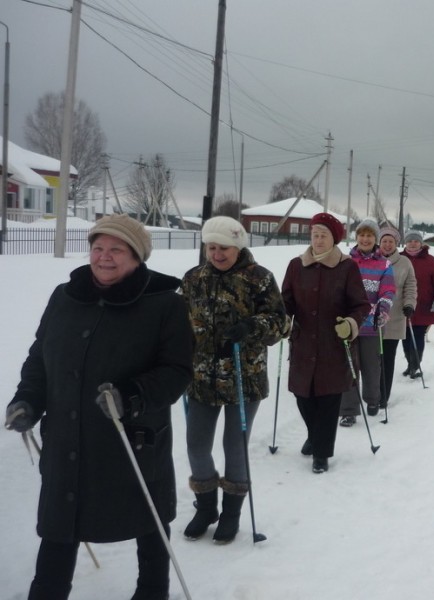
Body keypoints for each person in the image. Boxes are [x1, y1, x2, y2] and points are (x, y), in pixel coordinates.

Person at [4, 214, 193, 600]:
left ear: (137, 257)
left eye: (116, 250)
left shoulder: (165, 305)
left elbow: (177, 371)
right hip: (66, 439)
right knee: (60, 523)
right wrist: (28, 399)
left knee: (149, 521)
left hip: (131, 441)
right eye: (98, 248)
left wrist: (133, 394)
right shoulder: (65, 296)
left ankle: (152, 591)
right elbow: (40, 358)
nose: (104, 257)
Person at [180, 216, 288, 544]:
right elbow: (176, 319)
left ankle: (231, 513)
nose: (216, 254)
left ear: (237, 246)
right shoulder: (194, 278)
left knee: (234, 446)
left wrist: (251, 327)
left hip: (245, 375)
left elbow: (280, 323)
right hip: (201, 377)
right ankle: (207, 506)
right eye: (211, 247)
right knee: (196, 445)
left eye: (223, 247)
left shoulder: (259, 278)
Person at [281, 213, 370, 473]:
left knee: (329, 400)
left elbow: (361, 305)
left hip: (334, 345)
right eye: (314, 235)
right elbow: (285, 301)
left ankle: (321, 453)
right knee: (303, 397)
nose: (318, 240)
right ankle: (315, 434)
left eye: (323, 235)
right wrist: (284, 319)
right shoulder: (296, 266)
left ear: (334, 239)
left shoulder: (347, 267)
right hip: (303, 344)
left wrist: (351, 324)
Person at [338, 218, 396, 426]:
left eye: (369, 235)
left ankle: (373, 399)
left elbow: (388, 291)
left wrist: (383, 309)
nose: (365, 239)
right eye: (361, 235)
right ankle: (348, 410)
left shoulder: (385, 264)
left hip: (372, 324)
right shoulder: (345, 261)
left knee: (371, 366)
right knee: (348, 367)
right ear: (357, 237)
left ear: (375, 239)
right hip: (348, 325)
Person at [377, 224, 417, 405]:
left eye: (390, 241)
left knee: (387, 358)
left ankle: (383, 396)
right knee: (372, 360)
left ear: (396, 243)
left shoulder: (404, 263)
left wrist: (409, 304)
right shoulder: (372, 259)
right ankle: (371, 393)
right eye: (384, 241)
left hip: (395, 317)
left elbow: (410, 286)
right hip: (372, 318)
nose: (387, 245)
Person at [400, 230, 434, 379]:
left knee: (418, 336)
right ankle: (410, 363)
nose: (413, 243)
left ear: (421, 243)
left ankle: (415, 365)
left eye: (416, 241)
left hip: (424, 307)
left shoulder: (430, 260)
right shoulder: (399, 259)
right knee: (406, 337)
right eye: (410, 241)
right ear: (405, 243)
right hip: (403, 306)